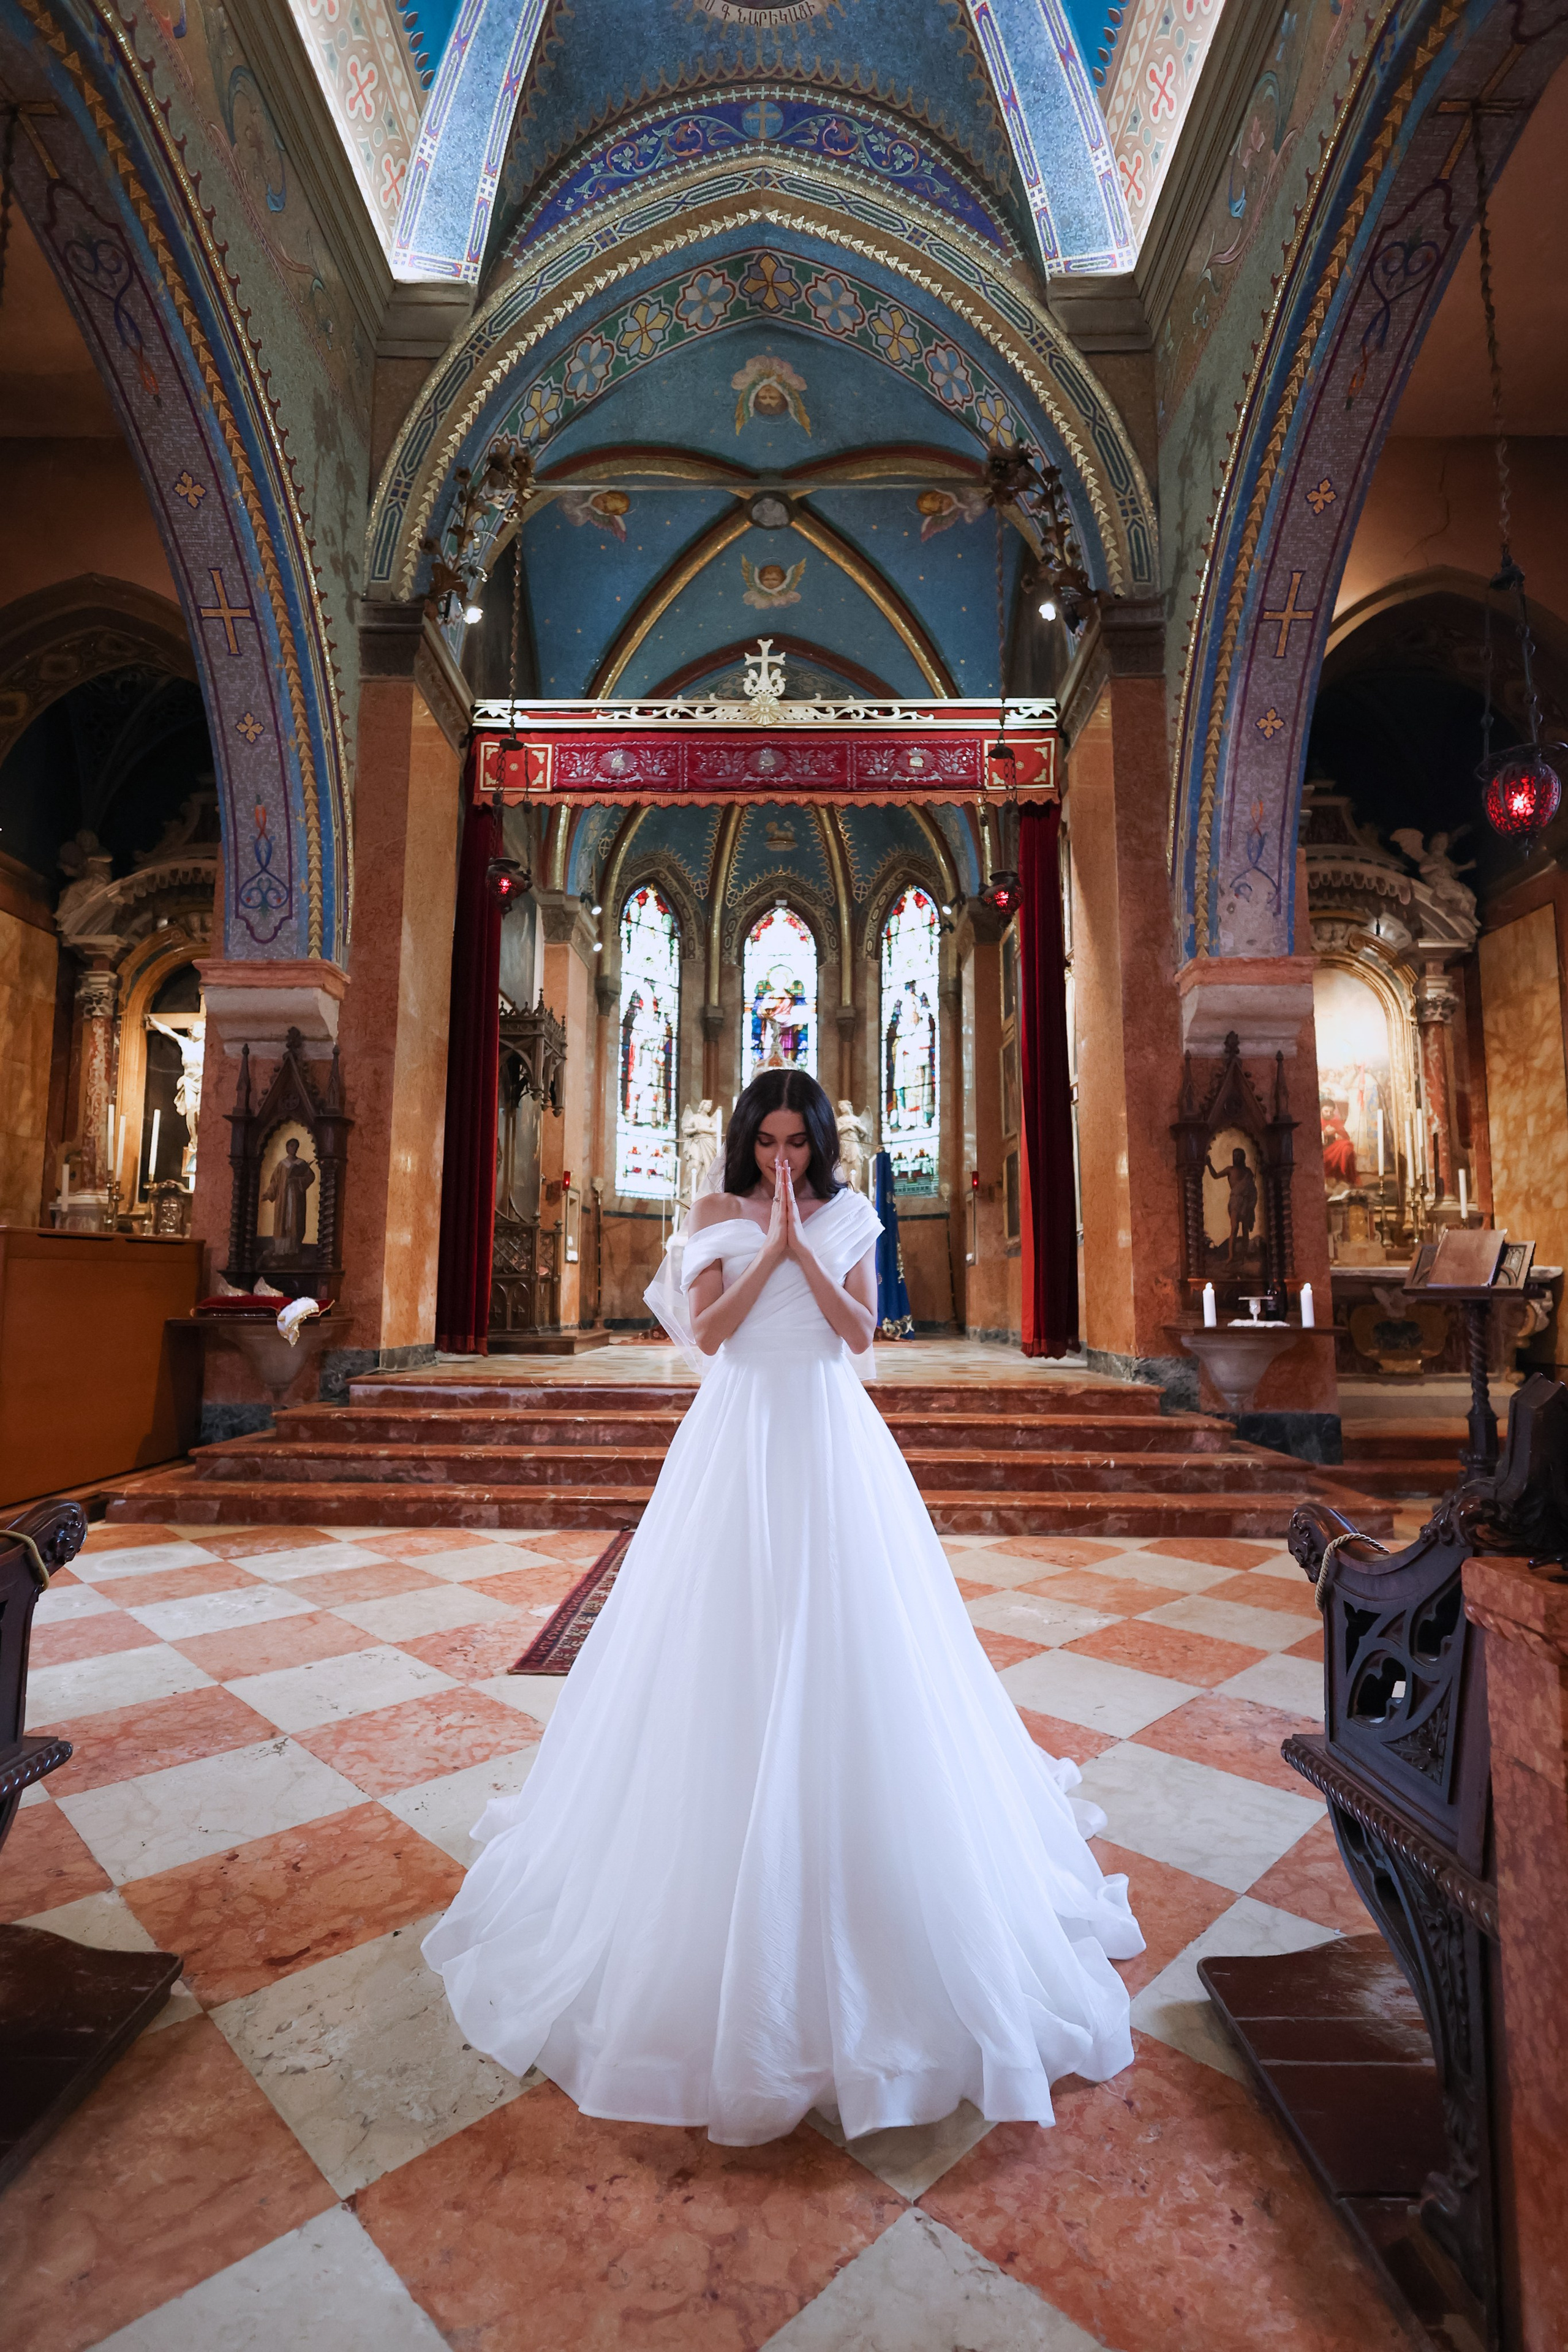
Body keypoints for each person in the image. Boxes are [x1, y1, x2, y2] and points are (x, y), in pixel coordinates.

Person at [423, 1068, 1141, 2147]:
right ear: (743, 1145)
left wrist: (811, 1247)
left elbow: (860, 1335)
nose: (782, 1161)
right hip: (739, 1436)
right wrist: (770, 1250)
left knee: (854, 1642)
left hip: (830, 1436)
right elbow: (707, 1339)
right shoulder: (713, 1215)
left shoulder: (854, 1214)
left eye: (798, 1144)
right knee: (725, 1638)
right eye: (766, 1143)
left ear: (822, 1145)